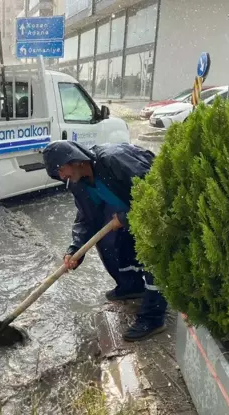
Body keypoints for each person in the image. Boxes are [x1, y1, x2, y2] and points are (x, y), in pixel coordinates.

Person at [42, 140, 168, 341]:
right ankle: (132, 287)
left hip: (155, 215)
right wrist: (75, 250)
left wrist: (126, 217)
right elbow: (86, 218)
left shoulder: (113, 159)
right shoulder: (78, 184)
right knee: (112, 243)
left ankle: (153, 318)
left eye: (61, 169)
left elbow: (157, 190)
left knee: (152, 258)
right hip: (127, 213)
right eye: (57, 174)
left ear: (74, 159)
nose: (62, 176)